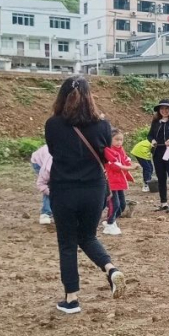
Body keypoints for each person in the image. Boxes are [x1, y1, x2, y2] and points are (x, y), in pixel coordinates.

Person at [43, 76, 125, 315]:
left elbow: (53, 151)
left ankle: (72, 299)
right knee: (87, 237)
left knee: (67, 244)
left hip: (64, 190)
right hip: (94, 189)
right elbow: (103, 154)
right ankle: (110, 269)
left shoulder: (53, 124)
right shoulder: (103, 125)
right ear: (90, 97)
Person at [103, 130, 139, 235]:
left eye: (121, 140)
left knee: (122, 205)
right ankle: (109, 224)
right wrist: (130, 168)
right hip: (111, 182)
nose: (119, 142)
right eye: (116, 139)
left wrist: (130, 165)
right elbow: (115, 166)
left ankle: (111, 220)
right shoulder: (107, 150)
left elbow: (125, 159)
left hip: (119, 181)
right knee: (115, 204)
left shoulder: (120, 149)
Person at [31, 144, 53, 225]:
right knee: (50, 185)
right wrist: (54, 194)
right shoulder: (49, 167)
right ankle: (46, 213)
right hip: (38, 161)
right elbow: (41, 184)